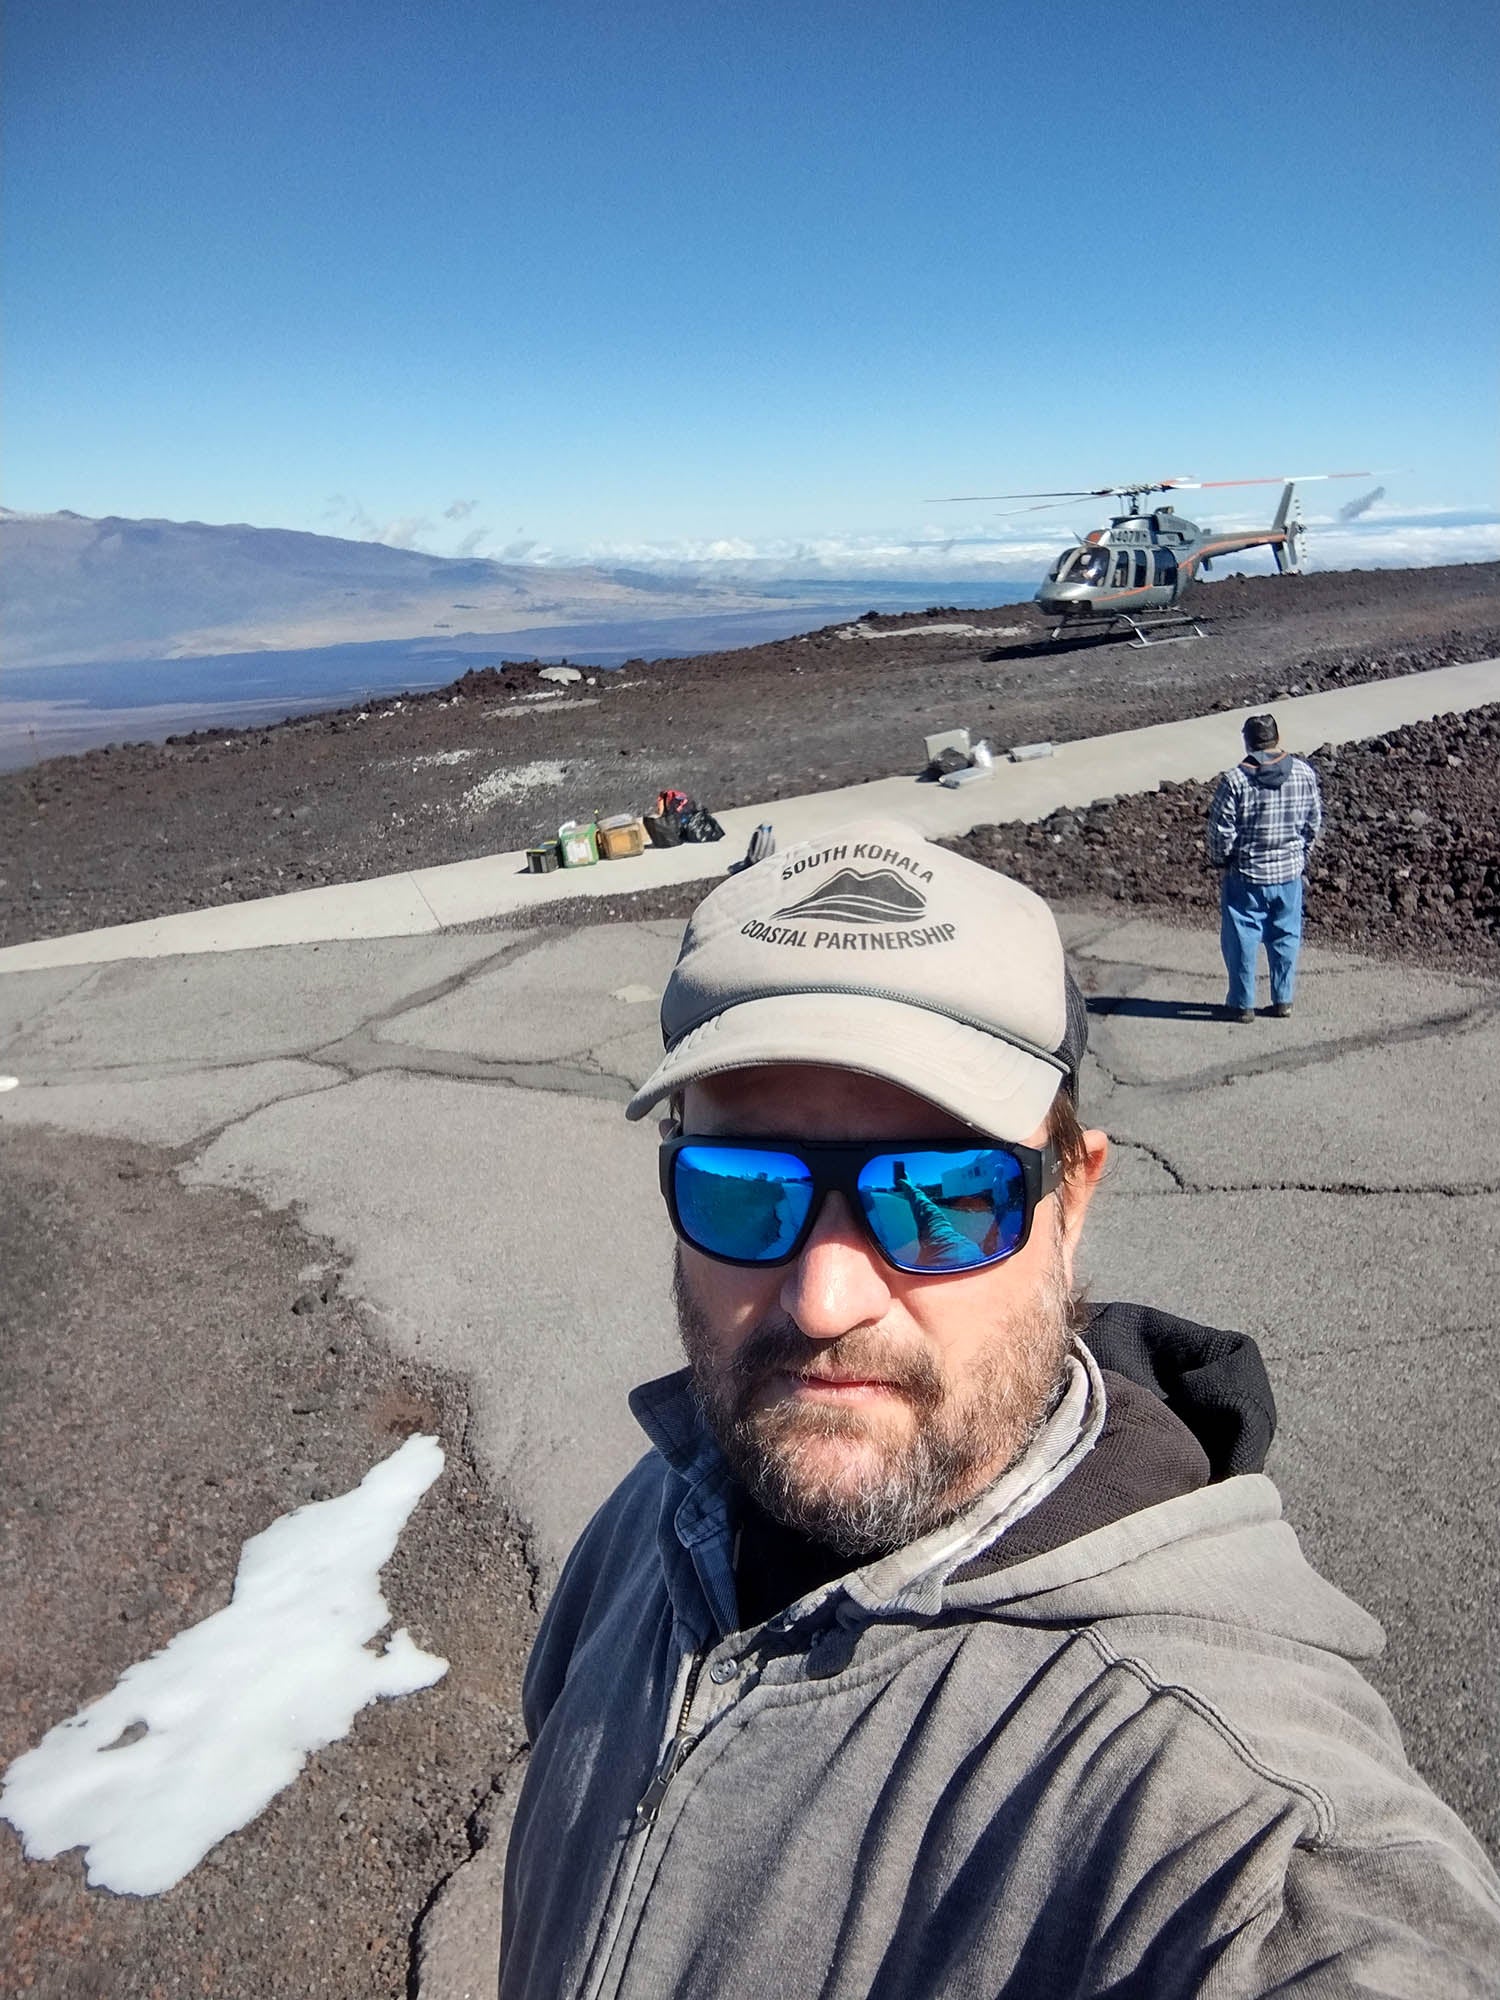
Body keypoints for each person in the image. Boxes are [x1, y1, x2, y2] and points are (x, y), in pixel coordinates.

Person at [498, 816, 1499, 1999]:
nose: (824, 1296)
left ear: (1072, 1201)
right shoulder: (659, 1522)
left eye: (940, 1196)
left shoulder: (1225, 1808)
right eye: (744, 1186)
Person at [1207, 712, 1323, 1022]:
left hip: (1247, 875)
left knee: (1242, 939)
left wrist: (1222, 860)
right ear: (1277, 737)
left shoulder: (1235, 781)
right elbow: (1313, 821)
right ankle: (1283, 999)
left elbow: (1221, 831)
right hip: (1289, 874)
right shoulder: (1304, 773)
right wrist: (1301, 855)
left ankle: (1242, 1003)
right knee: (1285, 936)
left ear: (1247, 742)